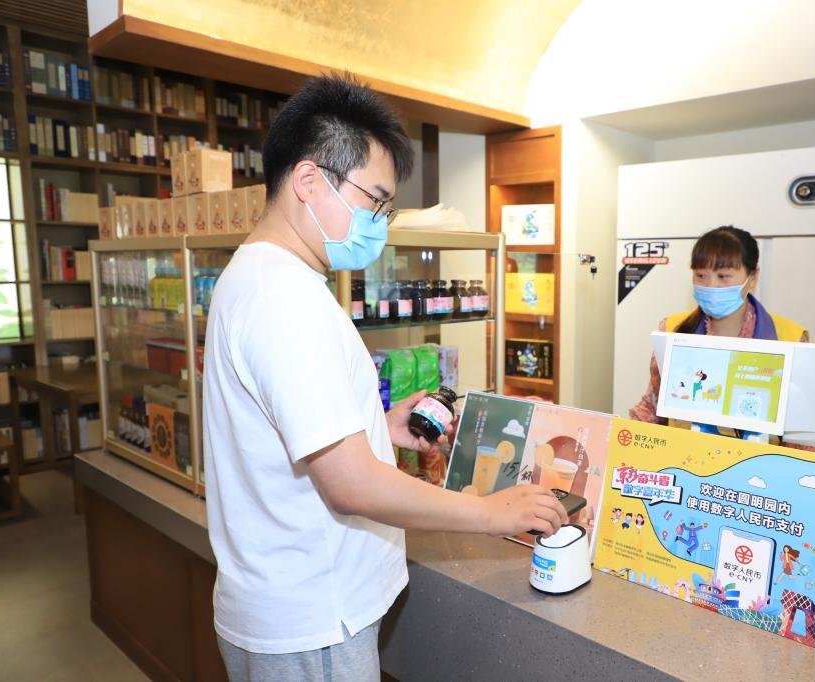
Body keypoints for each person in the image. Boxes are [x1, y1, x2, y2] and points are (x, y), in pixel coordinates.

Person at [203, 74, 566, 682]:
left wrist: (379, 425)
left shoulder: (258, 276)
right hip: (315, 621)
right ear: (309, 181)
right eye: (374, 200)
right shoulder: (286, 300)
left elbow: (291, 432)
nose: (379, 221)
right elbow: (349, 485)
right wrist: (489, 512)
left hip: (290, 608)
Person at [629, 225, 808, 425]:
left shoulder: (789, 338)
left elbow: (803, 425)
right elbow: (651, 408)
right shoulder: (671, 330)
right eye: (701, 275)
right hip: (685, 445)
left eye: (723, 276)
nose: (711, 286)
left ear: (753, 277)